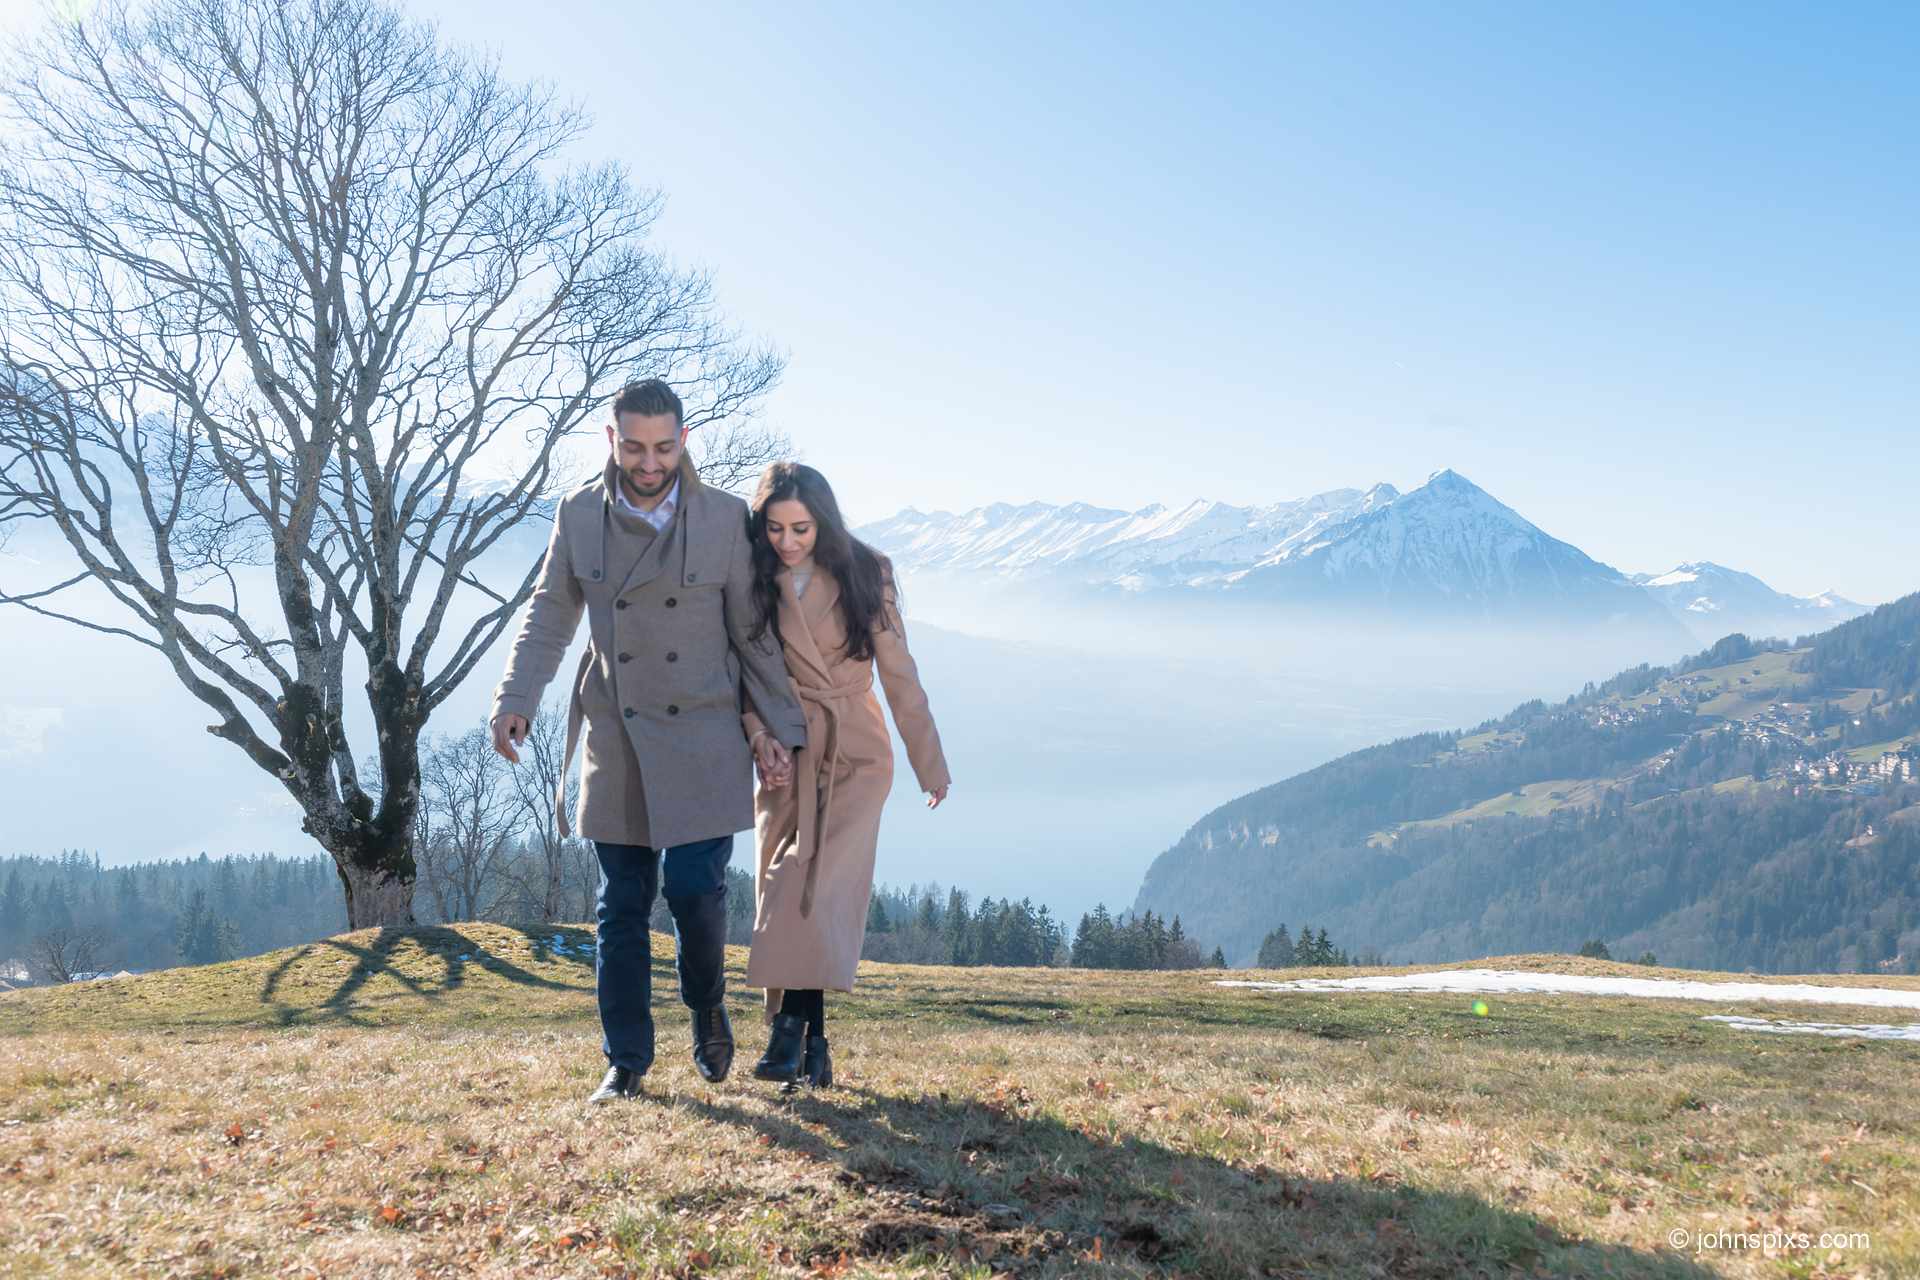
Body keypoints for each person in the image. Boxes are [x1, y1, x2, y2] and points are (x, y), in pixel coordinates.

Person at [490, 379, 807, 1104]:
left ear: (684, 441)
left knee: (698, 894)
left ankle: (707, 1005)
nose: (649, 460)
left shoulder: (726, 518)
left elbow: (753, 635)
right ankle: (626, 1061)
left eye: (663, 446)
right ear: (611, 439)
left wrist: (783, 729)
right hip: (618, 732)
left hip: (704, 731)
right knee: (621, 903)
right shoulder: (577, 515)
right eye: (634, 445)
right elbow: (549, 614)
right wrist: (516, 698)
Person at [740, 462, 951, 1088]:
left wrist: (928, 761)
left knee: (811, 883)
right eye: (774, 528)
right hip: (785, 753)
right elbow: (743, 672)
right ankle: (816, 1044)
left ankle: (787, 1032)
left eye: (800, 528)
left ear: (823, 521)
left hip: (856, 753)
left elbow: (900, 673)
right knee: (802, 893)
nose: (787, 541)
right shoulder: (749, 577)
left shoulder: (866, 572)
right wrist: (757, 735)